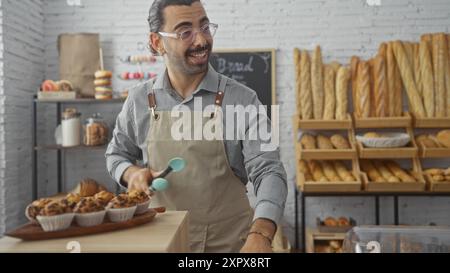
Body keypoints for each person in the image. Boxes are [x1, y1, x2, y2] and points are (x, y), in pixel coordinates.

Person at [106, 0, 287, 253]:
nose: (201, 40)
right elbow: (117, 154)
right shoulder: (139, 100)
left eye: (205, 27)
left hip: (230, 246)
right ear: (157, 43)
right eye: (185, 32)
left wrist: (262, 233)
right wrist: (130, 173)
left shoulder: (244, 100)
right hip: (158, 243)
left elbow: (269, 171)